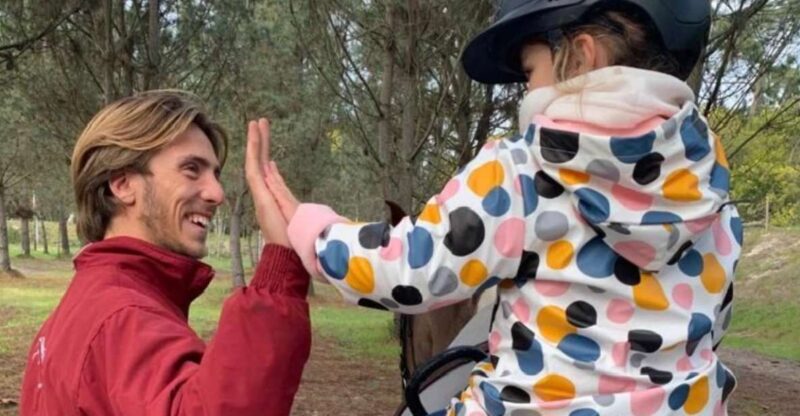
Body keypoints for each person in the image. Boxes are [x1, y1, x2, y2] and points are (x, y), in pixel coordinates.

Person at [262, 0, 742, 414]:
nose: (526, 94)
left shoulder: (523, 171)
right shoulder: (712, 200)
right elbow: (707, 332)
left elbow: (407, 270)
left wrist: (312, 227)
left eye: (530, 72)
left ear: (580, 56)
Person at [19, 91, 310, 415]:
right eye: (191, 169)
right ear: (123, 184)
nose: (217, 193)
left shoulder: (78, 310)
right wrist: (280, 266)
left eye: (215, 174)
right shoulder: (123, 318)